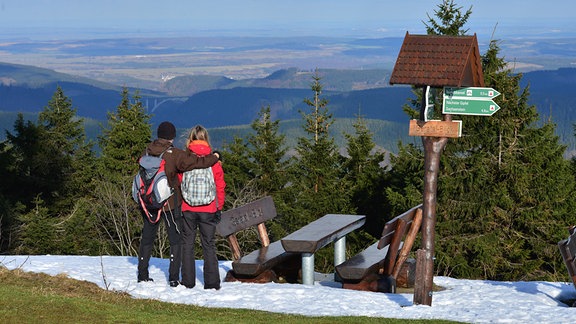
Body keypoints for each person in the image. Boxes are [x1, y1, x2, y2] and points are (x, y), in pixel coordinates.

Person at [137, 121, 220, 287]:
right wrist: (215, 157)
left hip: (149, 203)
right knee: (175, 240)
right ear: (172, 137)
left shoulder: (146, 150)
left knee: (147, 238)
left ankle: (142, 274)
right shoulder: (174, 154)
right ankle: (173, 278)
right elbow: (198, 163)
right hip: (170, 204)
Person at [180, 125, 225, 290]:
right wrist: (218, 207)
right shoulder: (214, 162)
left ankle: (188, 281)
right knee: (209, 245)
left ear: (190, 138)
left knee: (187, 244)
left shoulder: (184, 159)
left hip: (188, 208)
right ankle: (212, 283)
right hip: (209, 208)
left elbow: (179, 182)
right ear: (206, 139)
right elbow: (220, 186)